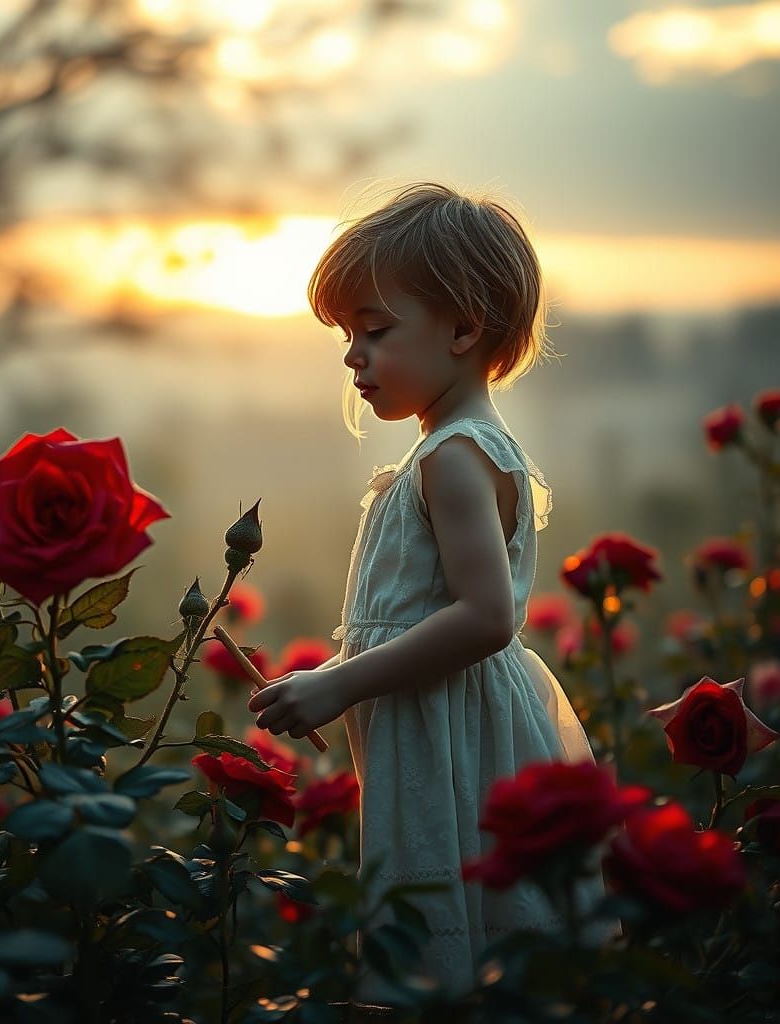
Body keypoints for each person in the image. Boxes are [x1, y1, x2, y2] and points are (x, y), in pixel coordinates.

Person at [247, 182, 606, 1007]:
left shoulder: (452, 458)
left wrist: (340, 680)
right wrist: (341, 673)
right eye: (346, 335)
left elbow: (485, 617)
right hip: (435, 720)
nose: (352, 356)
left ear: (463, 329)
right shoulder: (452, 449)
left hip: (453, 733)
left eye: (374, 330)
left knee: (446, 937)